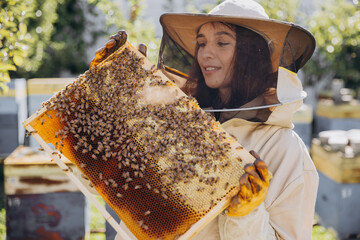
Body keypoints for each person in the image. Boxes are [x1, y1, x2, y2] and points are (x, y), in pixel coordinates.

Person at [91, 0, 319, 239]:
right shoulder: (177, 123)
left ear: (254, 54)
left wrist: (246, 214)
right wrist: (112, 98)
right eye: (201, 43)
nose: (205, 53)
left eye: (222, 42)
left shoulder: (285, 149)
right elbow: (108, 179)